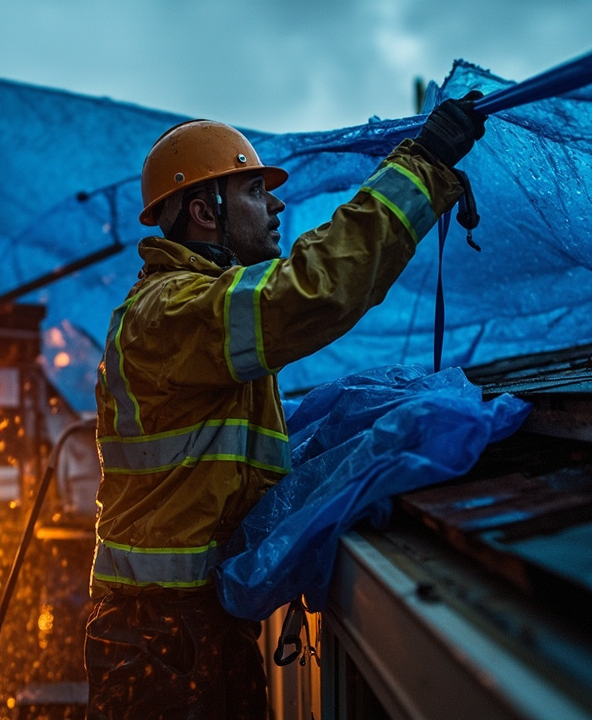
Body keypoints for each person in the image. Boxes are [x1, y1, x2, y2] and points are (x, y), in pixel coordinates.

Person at [85, 94, 486, 719]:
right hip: (164, 634)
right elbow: (310, 292)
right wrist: (424, 166)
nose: (275, 205)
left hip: (180, 625)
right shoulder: (171, 313)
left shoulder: (196, 312)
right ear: (203, 210)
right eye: (253, 191)